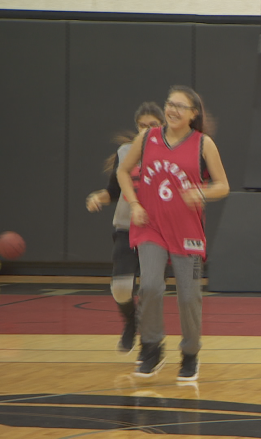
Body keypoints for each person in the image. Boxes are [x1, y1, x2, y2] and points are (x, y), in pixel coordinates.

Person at [117, 85, 229, 381]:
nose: (173, 110)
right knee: (151, 286)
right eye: (170, 104)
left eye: (181, 106)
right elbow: (122, 172)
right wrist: (135, 202)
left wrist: (201, 192)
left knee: (189, 296)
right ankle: (151, 347)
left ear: (194, 114)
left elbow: (223, 186)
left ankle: (190, 353)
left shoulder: (203, 144)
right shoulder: (147, 138)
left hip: (187, 232)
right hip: (150, 227)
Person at [86, 102, 165, 355]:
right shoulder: (125, 152)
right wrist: (99, 197)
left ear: (162, 126)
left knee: (152, 288)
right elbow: (113, 191)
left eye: (153, 125)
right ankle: (131, 321)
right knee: (120, 288)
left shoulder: (170, 152)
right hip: (126, 226)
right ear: (137, 128)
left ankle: (151, 343)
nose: (147, 129)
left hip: (158, 230)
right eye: (143, 125)